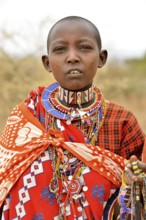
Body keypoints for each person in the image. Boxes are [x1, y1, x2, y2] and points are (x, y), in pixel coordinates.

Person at [0, 16, 145, 220]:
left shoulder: (121, 121)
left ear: (101, 58)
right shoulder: (28, 118)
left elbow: (136, 194)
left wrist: (136, 182)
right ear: (47, 62)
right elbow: (5, 185)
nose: (72, 57)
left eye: (84, 47)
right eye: (60, 49)